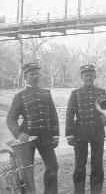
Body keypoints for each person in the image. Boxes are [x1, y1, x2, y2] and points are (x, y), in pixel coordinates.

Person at [6, 62, 59, 194]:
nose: (35, 76)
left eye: (37, 73)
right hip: (27, 140)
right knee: (26, 173)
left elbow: (53, 116)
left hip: (46, 137)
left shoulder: (46, 93)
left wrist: (56, 135)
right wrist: (19, 134)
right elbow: (10, 119)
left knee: (53, 168)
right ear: (25, 77)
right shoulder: (20, 96)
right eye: (31, 74)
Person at [66, 64, 106, 194]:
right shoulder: (75, 94)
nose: (89, 77)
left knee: (97, 164)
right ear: (81, 77)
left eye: (91, 75)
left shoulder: (101, 92)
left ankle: (96, 191)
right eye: (86, 75)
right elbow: (70, 114)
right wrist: (69, 134)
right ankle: (79, 191)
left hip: (98, 131)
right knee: (79, 165)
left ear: (95, 76)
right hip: (80, 132)